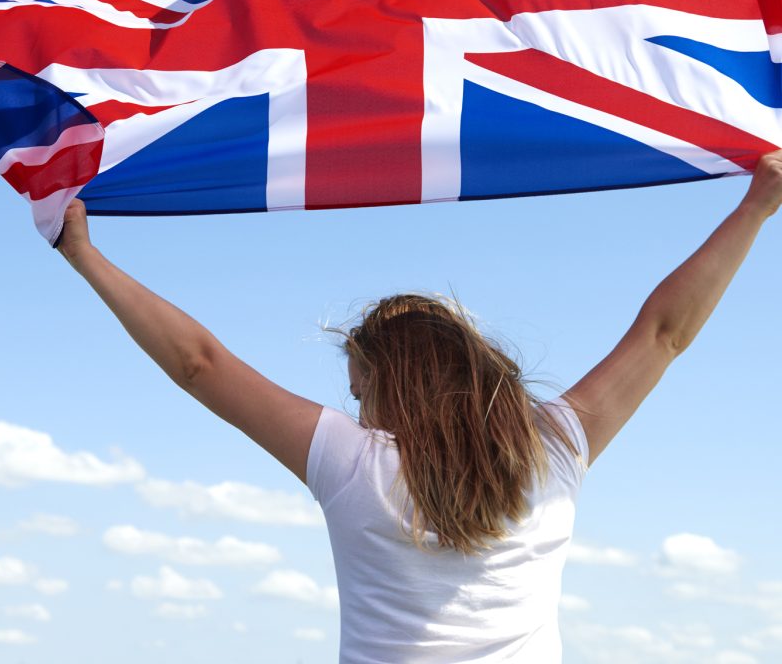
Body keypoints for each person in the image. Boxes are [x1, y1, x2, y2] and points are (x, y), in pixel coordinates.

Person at [56, 150, 782, 663]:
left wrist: (85, 256)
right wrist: (757, 207)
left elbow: (198, 363)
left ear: (393, 382)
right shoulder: (555, 447)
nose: (353, 400)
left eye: (360, 384)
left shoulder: (352, 464)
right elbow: (663, 334)